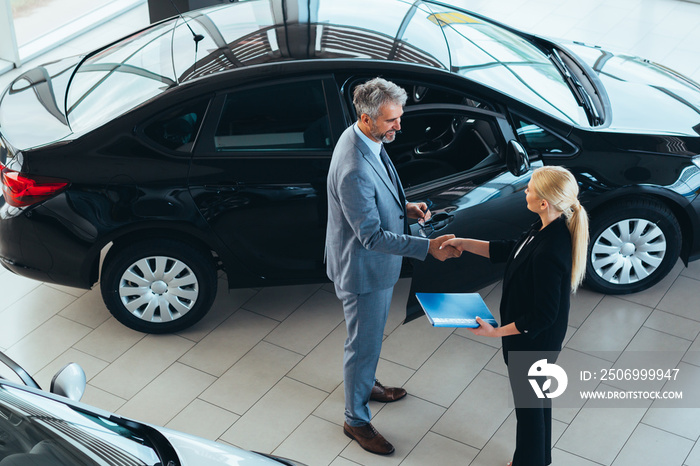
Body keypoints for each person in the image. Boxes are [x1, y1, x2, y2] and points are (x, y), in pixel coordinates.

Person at [325, 77, 459, 455]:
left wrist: (405, 207)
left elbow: (378, 192)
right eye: (390, 121)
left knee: (365, 342)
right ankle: (356, 419)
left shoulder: (361, 137)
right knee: (363, 346)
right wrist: (427, 247)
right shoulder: (353, 167)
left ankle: (365, 385)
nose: (398, 126)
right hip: (364, 272)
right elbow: (370, 237)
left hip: (368, 265)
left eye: (398, 117)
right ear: (367, 119)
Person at [441, 165, 589, 466]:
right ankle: (537, 459)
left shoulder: (551, 250)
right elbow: (512, 251)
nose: (525, 191)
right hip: (531, 340)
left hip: (533, 344)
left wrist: (494, 332)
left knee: (529, 410)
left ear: (544, 202)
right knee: (536, 403)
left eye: (530, 188)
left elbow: (542, 317)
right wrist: (465, 244)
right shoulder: (545, 228)